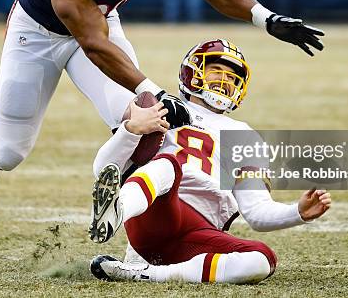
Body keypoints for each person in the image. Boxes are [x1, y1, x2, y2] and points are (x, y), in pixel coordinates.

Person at [0, 0, 324, 209]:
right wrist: (154, 88)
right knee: (11, 153)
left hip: (101, 20)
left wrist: (266, 18)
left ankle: (146, 216)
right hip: (39, 35)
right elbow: (94, 45)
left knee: (146, 118)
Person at [89, 39, 332, 283]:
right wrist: (130, 130)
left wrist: (297, 212)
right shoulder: (162, 108)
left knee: (262, 259)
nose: (225, 80)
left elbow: (257, 210)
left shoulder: (246, 136)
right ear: (192, 71)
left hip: (199, 233)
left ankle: (144, 273)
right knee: (168, 165)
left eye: (232, 77)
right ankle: (115, 213)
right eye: (216, 70)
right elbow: (105, 170)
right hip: (155, 213)